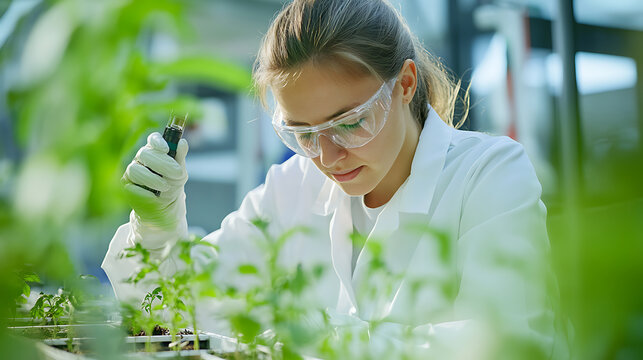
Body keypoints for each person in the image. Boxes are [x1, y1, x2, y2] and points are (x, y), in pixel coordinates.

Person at [103, 0, 568, 357]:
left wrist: (324, 339)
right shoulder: (291, 189)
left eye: (348, 123)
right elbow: (176, 314)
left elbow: (508, 345)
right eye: (302, 133)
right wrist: (157, 226)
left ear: (405, 85)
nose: (326, 156)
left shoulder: (488, 176)